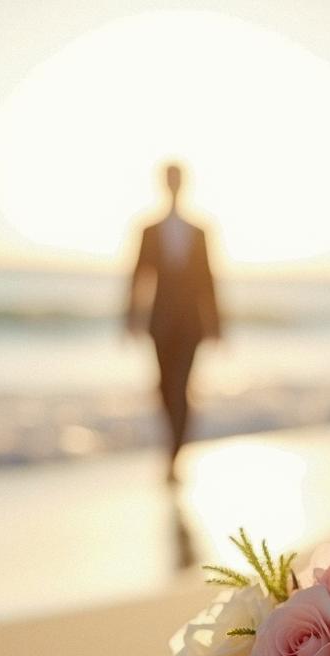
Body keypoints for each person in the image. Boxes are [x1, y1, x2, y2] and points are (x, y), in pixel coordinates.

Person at [127, 163, 221, 483]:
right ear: (163, 184)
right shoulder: (149, 229)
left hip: (191, 321)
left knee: (181, 386)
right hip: (160, 319)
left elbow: (209, 278)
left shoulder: (200, 231)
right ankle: (173, 446)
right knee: (163, 386)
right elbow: (138, 274)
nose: (173, 184)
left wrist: (216, 322)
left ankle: (175, 455)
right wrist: (131, 315)